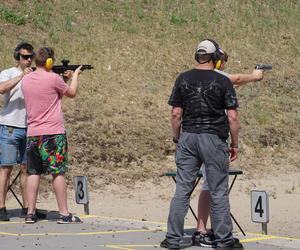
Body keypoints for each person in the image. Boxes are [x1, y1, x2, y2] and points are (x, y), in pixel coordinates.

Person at [160, 39, 243, 250]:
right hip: (214, 138)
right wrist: (234, 144)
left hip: (188, 136)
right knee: (218, 191)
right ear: (215, 58)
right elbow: (232, 118)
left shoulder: (183, 78)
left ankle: (172, 238)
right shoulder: (222, 81)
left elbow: (176, 114)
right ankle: (224, 240)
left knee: (182, 190)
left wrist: (177, 139)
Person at [195, 49, 264, 243]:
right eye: (222, 61)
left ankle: (203, 228)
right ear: (215, 61)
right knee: (216, 186)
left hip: (198, 137)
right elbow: (237, 79)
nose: (224, 64)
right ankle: (219, 233)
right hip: (214, 138)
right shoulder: (215, 75)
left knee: (208, 184)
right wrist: (254, 76)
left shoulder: (199, 77)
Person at [21, 47, 82, 224]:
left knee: (33, 172)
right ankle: (64, 213)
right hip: (53, 133)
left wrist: (61, 80)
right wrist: (74, 76)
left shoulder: (25, 80)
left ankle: (30, 213)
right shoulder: (53, 78)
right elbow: (72, 93)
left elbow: (49, 98)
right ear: (49, 62)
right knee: (58, 173)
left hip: (33, 133)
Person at [0, 42, 34, 221]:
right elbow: (1, 89)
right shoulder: (8, 73)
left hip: (29, 126)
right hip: (10, 126)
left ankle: (27, 207)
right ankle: (1, 207)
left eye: (30, 57)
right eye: (24, 57)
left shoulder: (34, 74)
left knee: (26, 169)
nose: (28, 60)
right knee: (6, 168)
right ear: (17, 57)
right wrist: (22, 76)